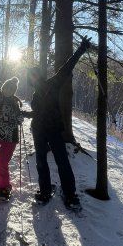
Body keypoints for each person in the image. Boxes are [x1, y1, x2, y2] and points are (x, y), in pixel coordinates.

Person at [26, 36, 92, 207]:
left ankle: (67, 195)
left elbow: (67, 67)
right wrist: (27, 115)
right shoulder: (37, 92)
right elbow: (39, 112)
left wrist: (81, 49)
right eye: (31, 77)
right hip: (41, 131)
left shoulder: (52, 84)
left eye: (34, 76)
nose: (33, 79)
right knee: (46, 162)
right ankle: (51, 192)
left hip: (51, 130)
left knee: (59, 161)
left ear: (38, 76)